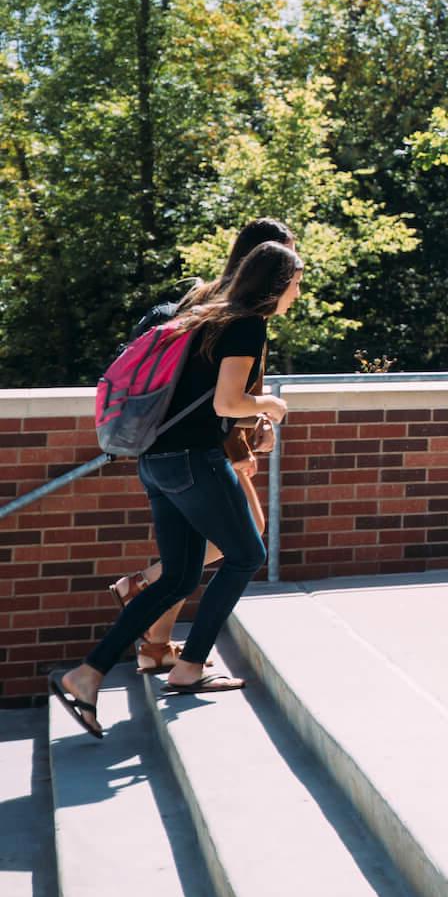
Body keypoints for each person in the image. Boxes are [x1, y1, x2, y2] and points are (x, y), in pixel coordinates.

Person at [49, 241, 301, 733]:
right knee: (247, 555)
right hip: (193, 461)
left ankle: (87, 674)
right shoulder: (247, 325)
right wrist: (269, 406)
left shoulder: (209, 314)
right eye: (295, 283)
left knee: (178, 577)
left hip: (155, 460)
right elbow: (229, 403)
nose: (297, 293)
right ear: (276, 285)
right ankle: (188, 669)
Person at [107, 219, 296, 673]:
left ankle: (155, 644)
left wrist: (252, 423)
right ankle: (143, 590)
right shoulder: (239, 310)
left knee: (192, 552)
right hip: (204, 443)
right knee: (240, 538)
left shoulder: (205, 297)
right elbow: (217, 384)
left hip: (182, 441)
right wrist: (249, 425)